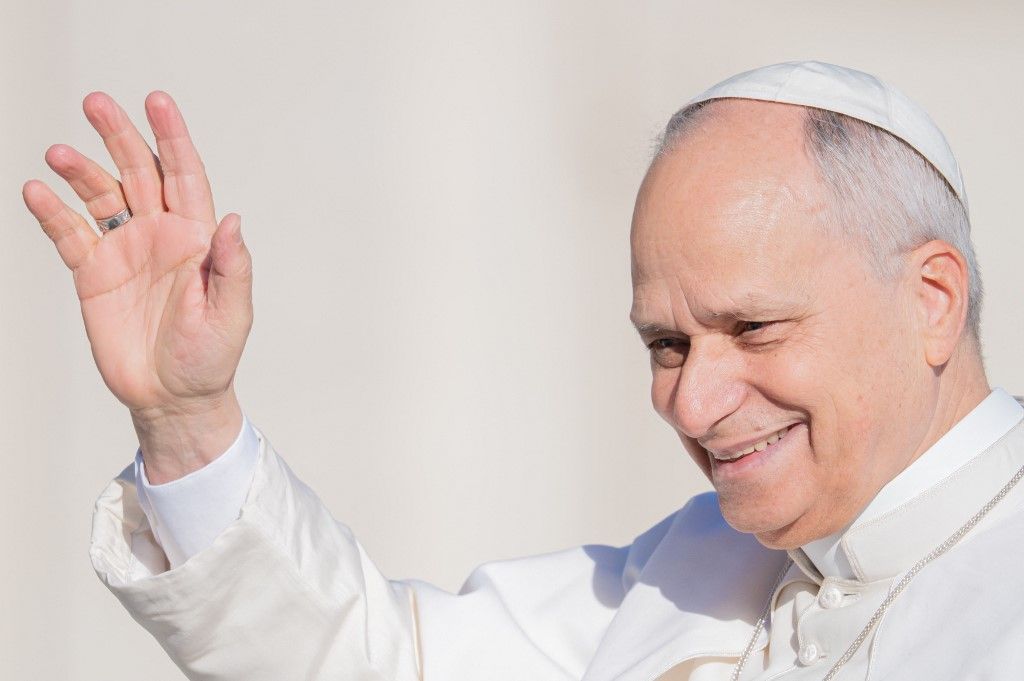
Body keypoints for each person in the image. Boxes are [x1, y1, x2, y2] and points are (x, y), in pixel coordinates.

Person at [22, 60, 1024, 680]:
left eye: (753, 327)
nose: (691, 399)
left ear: (929, 301)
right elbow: (381, 666)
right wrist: (187, 419)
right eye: (665, 344)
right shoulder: (697, 567)